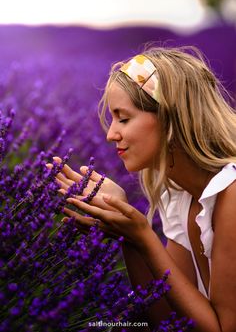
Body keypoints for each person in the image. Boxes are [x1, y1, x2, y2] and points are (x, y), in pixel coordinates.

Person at [53, 46, 236, 332]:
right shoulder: (181, 197)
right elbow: (165, 319)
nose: (112, 134)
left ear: (170, 119)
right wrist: (128, 230)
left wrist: (145, 238)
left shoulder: (232, 194)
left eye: (123, 118)